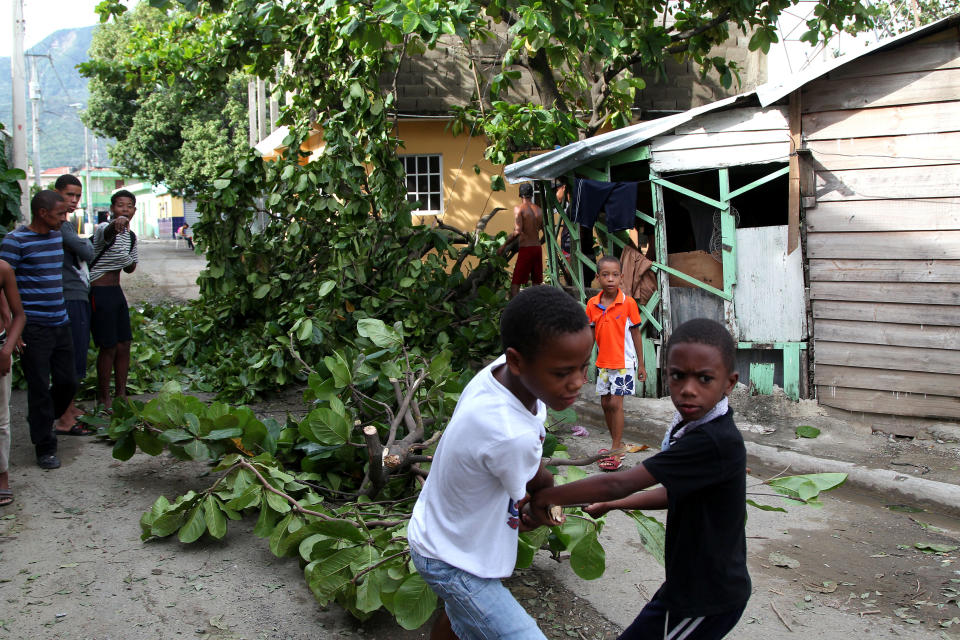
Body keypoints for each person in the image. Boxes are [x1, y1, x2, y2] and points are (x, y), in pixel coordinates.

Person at [530, 318, 751, 640]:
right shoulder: (694, 427)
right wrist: (614, 504)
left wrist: (548, 495)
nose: (688, 389)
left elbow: (619, 481)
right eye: (678, 376)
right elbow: (673, 492)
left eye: (704, 379)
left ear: (729, 383)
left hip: (705, 598)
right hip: (687, 586)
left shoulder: (713, 441)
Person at [407, 285, 593, 640]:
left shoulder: (498, 375)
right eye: (562, 373)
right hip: (453, 561)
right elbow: (533, 486)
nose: (578, 383)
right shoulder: (510, 433)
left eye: (584, 367)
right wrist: (545, 497)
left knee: (463, 618)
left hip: (441, 536)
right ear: (517, 360)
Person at [0, 190, 78, 469]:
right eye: (59, 214)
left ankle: (41, 419)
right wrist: (12, 329)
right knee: (39, 387)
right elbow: (1, 285)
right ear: (42, 213)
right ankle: (45, 447)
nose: (64, 218)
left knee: (69, 381)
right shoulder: (15, 241)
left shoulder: (57, 235)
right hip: (33, 326)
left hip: (61, 322)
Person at [586, 255, 644, 471]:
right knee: (604, 404)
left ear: (621, 277)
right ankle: (616, 444)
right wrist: (585, 363)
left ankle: (615, 449)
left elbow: (636, 334)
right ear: (598, 278)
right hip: (603, 364)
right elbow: (590, 335)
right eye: (605, 275)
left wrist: (642, 364)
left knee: (615, 404)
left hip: (624, 363)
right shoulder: (592, 304)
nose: (610, 279)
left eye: (615, 275)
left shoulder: (628, 303)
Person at [53, 174, 95, 436]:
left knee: (75, 356)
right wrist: (85, 244)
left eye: (77, 196)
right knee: (71, 358)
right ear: (57, 193)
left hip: (76, 294)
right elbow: (88, 252)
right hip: (70, 297)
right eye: (69, 195)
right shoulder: (62, 227)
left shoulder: (66, 225)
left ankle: (68, 408)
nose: (73, 201)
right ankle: (64, 417)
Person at [89, 190, 138, 413]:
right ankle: (103, 397)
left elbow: (130, 268)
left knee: (124, 344)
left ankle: (121, 393)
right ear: (112, 209)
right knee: (107, 346)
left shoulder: (132, 237)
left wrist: (126, 255)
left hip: (116, 292)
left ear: (134, 211)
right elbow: (107, 232)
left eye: (129, 207)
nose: (124, 210)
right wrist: (115, 224)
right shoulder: (102, 229)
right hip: (100, 292)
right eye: (120, 206)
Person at [0, 260, 26, 505]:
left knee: (1, 420)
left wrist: (7, 349)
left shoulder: (3, 269)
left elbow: (18, 315)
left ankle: (2, 476)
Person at [502, 182, 543, 298]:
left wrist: (504, 245)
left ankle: (515, 311)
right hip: (537, 248)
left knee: (515, 283)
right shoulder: (539, 210)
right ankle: (536, 308)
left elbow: (517, 231)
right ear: (531, 194)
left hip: (526, 249)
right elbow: (546, 234)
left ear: (520, 195)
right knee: (536, 283)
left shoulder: (519, 209)